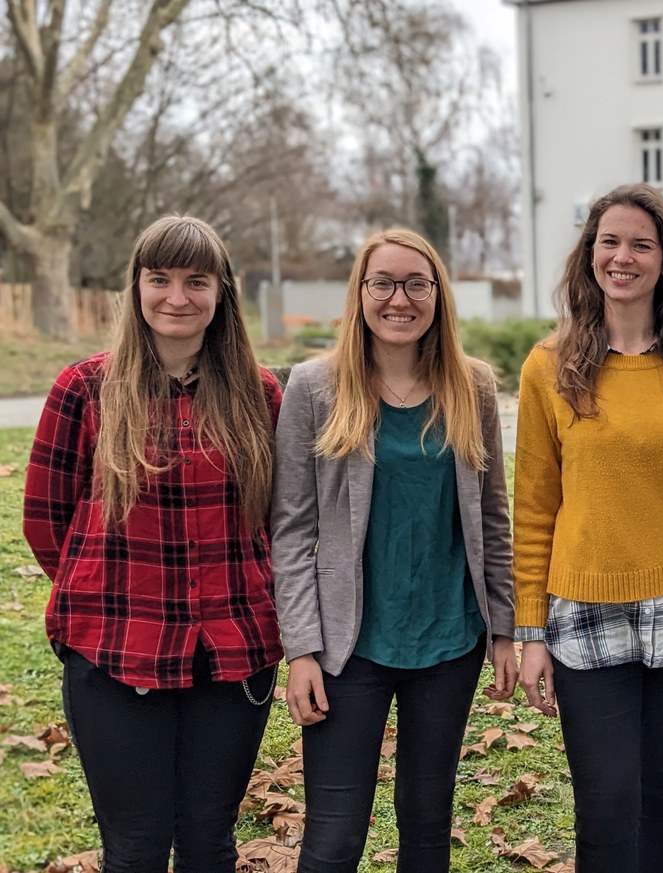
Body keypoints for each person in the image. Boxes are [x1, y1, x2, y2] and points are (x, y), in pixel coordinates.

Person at [513, 182, 663, 872]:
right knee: (605, 803)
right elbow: (533, 508)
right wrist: (529, 632)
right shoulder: (548, 367)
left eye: (640, 245)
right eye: (609, 242)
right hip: (586, 616)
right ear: (589, 255)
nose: (622, 257)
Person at [22, 216, 282, 873]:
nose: (176, 296)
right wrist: (107, 591)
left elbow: (284, 521)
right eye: (159, 278)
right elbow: (45, 522)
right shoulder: (84, 389)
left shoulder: (261, 393)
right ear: (135, 287)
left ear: (222, 292)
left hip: (232, 650)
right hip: (113, 648)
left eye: (196, 280)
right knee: (135, 847)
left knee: (207, 841)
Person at [271, 228, 516, 873]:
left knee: (427, 822)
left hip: (449, 640)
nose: (398, 299)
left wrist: (504, 631)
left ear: (438, 295)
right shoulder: (314, 388)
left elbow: (492, 518)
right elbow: (292, 529)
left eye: (416, 283)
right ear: (360, 294)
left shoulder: (474, 387)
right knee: (333, 836)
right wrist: (300, 647)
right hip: (347, 646)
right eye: (382, 283)